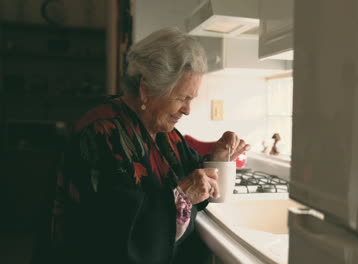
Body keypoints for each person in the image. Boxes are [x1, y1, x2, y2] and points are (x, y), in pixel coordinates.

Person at [51, 28, 250, 264]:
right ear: (146, 89)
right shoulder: (100, 134)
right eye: (182, 98)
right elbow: (114, 236)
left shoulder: (167, 135)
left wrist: (217, 156)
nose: (187, 110)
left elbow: (194, 173)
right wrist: (182, 197)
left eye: (191, 99)